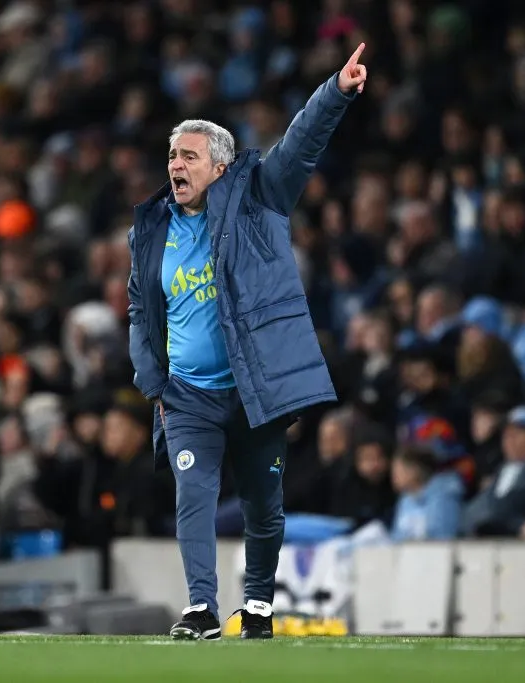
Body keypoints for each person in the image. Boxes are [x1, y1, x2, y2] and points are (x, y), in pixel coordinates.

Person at [127, 44, 367, 640]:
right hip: (187, 397)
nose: (175, 165)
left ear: (221, 167)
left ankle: (257, 607)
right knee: (195, 496)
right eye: (171, 155)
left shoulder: (260, 197)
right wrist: (152, 381)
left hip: (252, 388)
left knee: (264, 504)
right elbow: (139, 307)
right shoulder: (151, 227)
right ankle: (202, 608)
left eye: (188, 156)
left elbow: (301, 143)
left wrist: (334, 92)